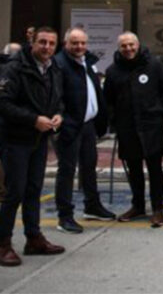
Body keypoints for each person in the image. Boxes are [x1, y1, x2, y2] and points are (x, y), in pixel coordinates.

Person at [0, 27, 66, 266]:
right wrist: (33, 119)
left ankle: (33, 238)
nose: (47, 47)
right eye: (42, 42)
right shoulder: (14, 68)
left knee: (33, 190)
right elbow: (3, 104)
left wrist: (58, 114)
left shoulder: (53, 68)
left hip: (39, 140)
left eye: (51, 43)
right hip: (16, 139)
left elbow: (58, 99)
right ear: (33, 43)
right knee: (14, 192)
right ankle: (3, 243)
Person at [103, 32, 163, 228]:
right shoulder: (113, 71)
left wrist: (161, 111)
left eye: (131, 45)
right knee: (134, 170)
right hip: (127, 128)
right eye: (124, 46)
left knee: (155, 169)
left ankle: (158, 209)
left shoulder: (154, 65)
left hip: (152, 126)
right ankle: (138, 206)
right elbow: (107, 99)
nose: (128, 49)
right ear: (119, 48)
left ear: (138, 44)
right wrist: (114, 120)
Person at [53, 28, 115, 234]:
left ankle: (92, 206)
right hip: (70, 126)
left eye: (82, 43)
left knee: (89, 167)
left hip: (87, 125)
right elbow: (56, 96)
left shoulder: (86, 62)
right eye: (74, 43)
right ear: (66, 44)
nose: (79, 46)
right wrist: (63, 121)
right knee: (67, 170)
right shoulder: (59, 64)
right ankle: (65, 216)